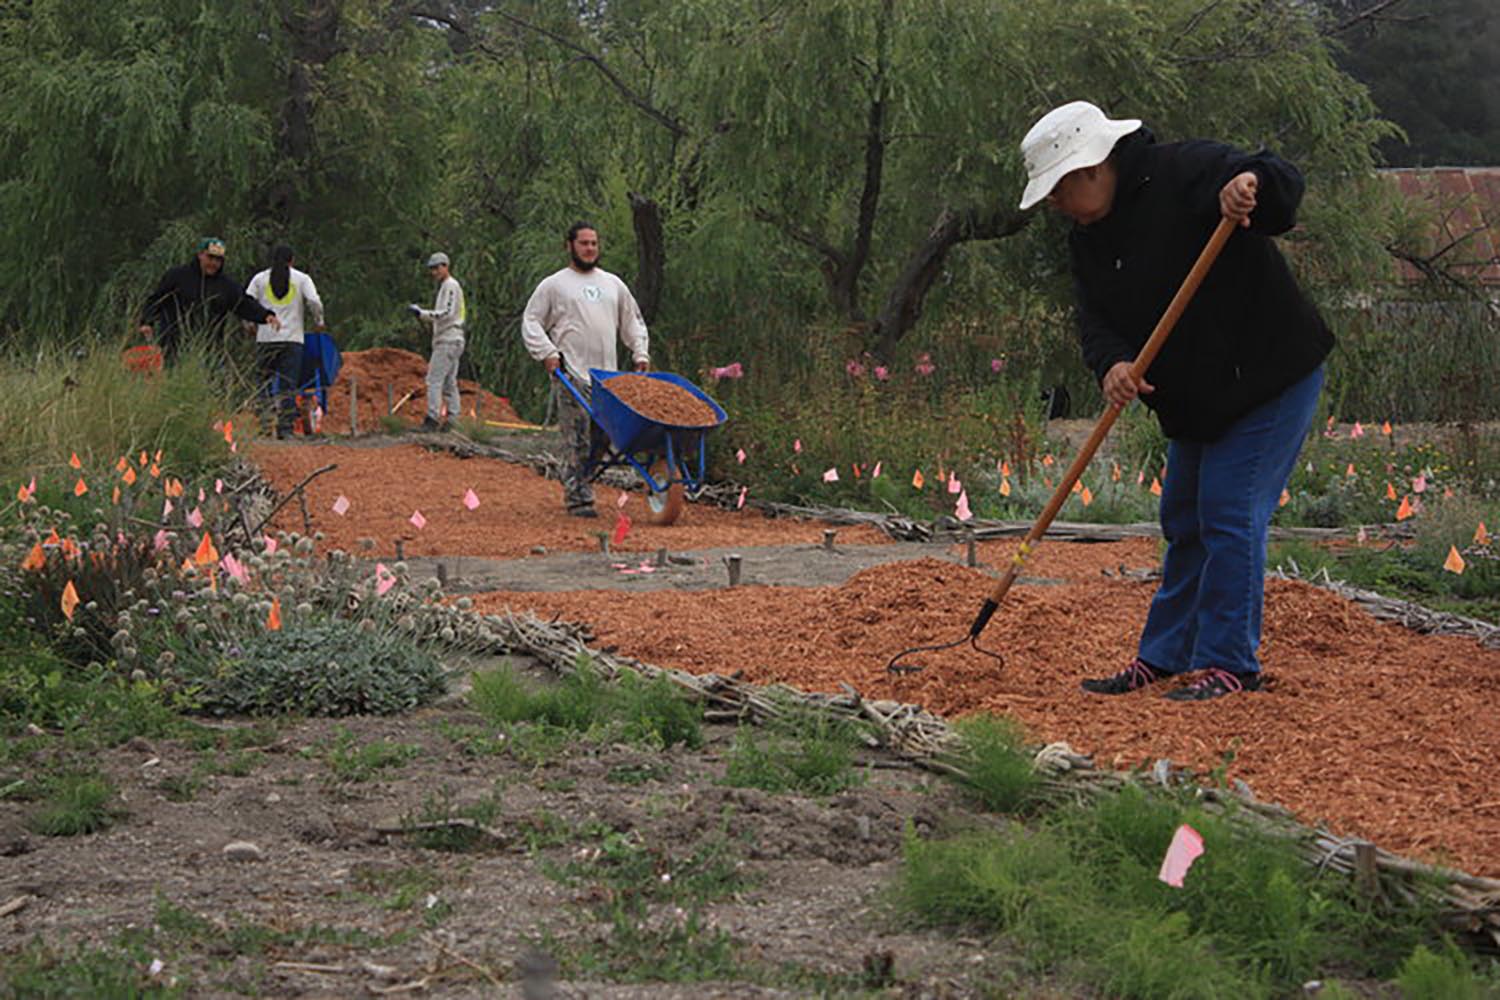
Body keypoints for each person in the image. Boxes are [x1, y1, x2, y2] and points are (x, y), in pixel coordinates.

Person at [1018, 101, 1333, 701]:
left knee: (1229, 512)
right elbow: (1095, 320)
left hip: (1267, 376)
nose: (1054, 204)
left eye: (1057, 189)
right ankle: (1165, 656)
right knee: (1184, 519)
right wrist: (1112, 363)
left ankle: (1228, 664)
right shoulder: (1086, 240)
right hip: (1194, 396)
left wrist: (1252, 187)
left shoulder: (1184, 170)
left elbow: (1277, 180)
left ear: (1091, 168)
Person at [520, 221, 651, 518]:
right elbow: (531, 322)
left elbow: (632, 321)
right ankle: (578, 496)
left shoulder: (613, 284)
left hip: (607, 377)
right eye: (584, 243)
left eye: (594, 243)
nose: (590, 248)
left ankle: (586, 480)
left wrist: (639, 351)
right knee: (576, 438)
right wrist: (547, 353)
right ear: (570, 246)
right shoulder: (554, 285)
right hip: (572, 374)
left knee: (602, 438)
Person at [139, 237, 278, 365]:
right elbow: (157, 299)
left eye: (218, 260)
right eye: (210, 258)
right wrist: (146, 321)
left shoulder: (226, 285)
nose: (213, 263)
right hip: (174, 344)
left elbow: (243, 303)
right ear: (200, 255)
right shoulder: (177, 276)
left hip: (210, 349)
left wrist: (265, 315)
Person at [246, 246, 325, 439]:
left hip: (265, 339)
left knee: (263, 384)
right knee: (288, 385)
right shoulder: (301, 279)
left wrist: (249, 324)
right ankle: (285, 429)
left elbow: (246, 302)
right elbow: (314, 301)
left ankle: (264, 425)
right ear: (292, 261)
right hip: (292, 340)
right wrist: (319, 322)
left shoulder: (259, 279)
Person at [408, 252, 466, 432]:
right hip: (453, 339)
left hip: (448, 339)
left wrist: (422, 314)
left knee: (433, 380)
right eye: (432, 269)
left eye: (437, 267)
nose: (434, 272)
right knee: (449, 382)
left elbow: (446, 313)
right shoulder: (447, 287)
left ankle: (432, 418)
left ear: (446, 266)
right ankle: (453, 420)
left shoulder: (450, 286)